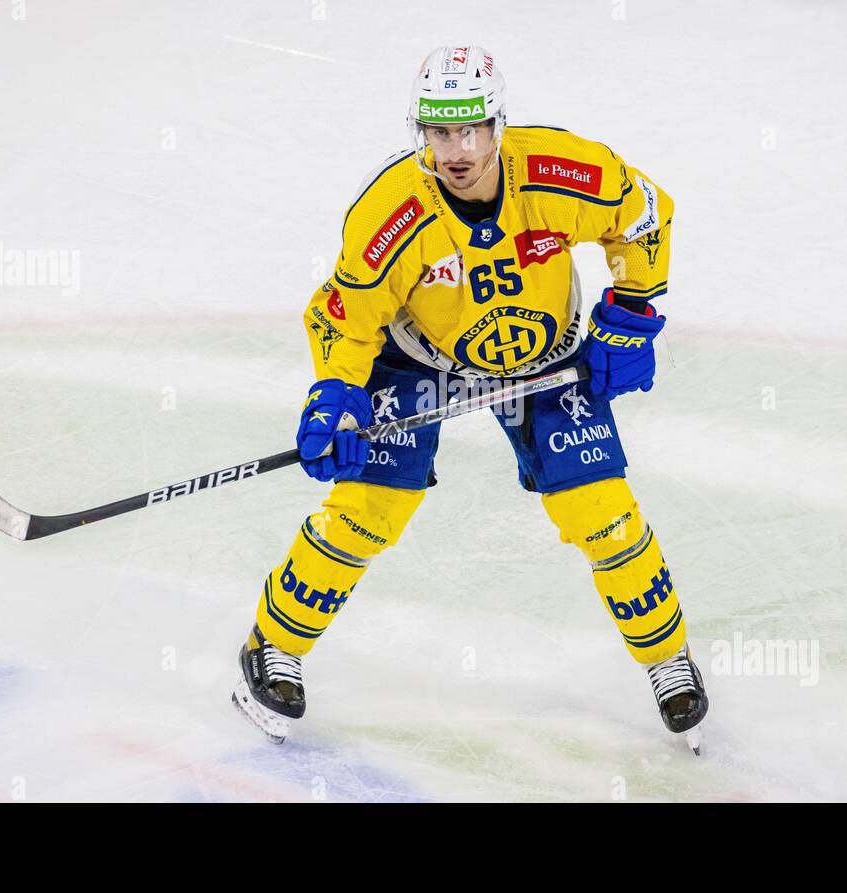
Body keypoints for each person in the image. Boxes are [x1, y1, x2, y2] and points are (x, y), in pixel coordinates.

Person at [233, 45, 708, 750]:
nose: (456, 150)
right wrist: (336, 394)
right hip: (417, 357)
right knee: (368, 511)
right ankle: (273, 644)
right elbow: (345, 315)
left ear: (497, 125)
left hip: (542, 355)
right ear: (419, 132)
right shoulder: (392, 212)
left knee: (602, 511)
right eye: (438, 132)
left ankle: (668, 659)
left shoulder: (558, 172)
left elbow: (641, 211)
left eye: (470, 131)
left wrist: (632, 315)